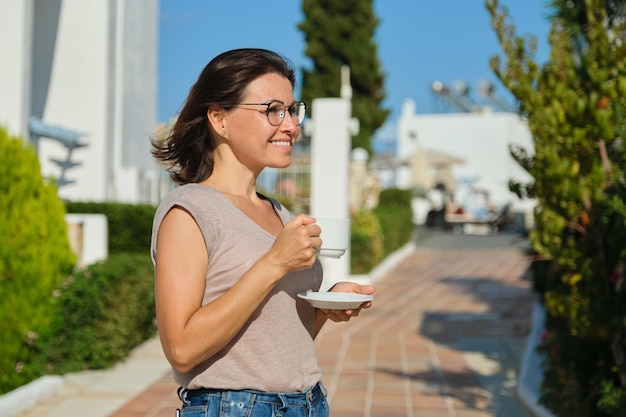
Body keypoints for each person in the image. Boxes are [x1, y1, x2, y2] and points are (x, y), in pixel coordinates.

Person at [150, 48, 375, 417]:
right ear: (219, 119)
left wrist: (326, 306)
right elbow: (182, 348)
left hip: (307, 402)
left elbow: (269, 344)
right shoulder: (189, 211)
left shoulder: (277, 212)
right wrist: (274, 263)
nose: (290, 125)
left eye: (292, 110)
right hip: (235, 408)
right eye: (272, 110)